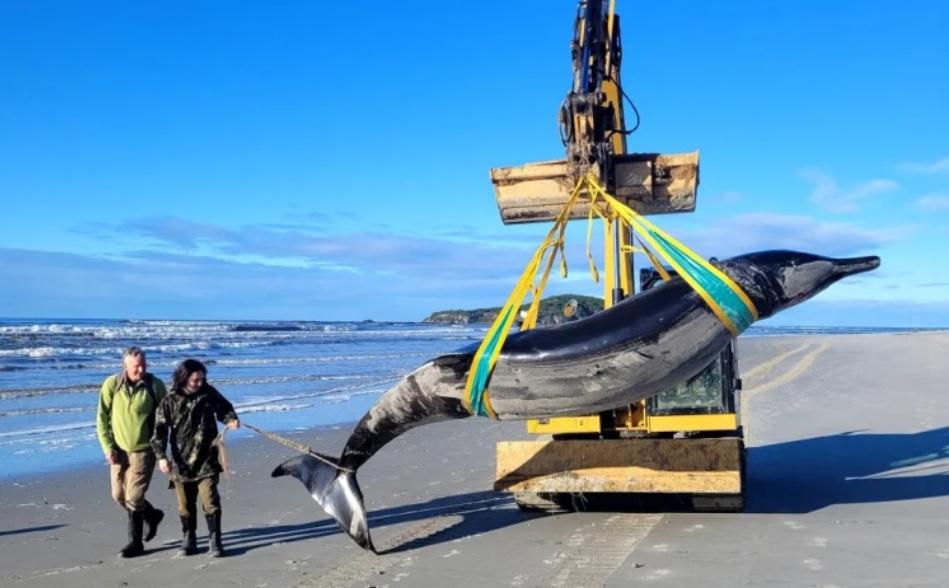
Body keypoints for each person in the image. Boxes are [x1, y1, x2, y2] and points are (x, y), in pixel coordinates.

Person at [152, 358, 239, 557]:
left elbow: (224, 409)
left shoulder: (208, 393)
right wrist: (161, 457)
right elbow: (159, 430)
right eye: (195, 380)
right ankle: (189, 537)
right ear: (184, 378)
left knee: (210, 500)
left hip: (207, 458)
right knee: (185, 504)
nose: (200, 383)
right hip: (181, 462)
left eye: (202, 379)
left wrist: (231, 419)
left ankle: (215, 540)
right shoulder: (170, 400)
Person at [96, 346, 167, 558]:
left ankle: (135, 543)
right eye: (136, 366)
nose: (141, 369)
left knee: (134, 497)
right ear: (125, 365)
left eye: (144, 365)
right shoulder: (112, 384)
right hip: (118, 451)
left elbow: (164, 419)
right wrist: (108, 447)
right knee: (118, 496)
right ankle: (152, 515)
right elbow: (102, 419)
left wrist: (161, 449)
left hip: (144, 451)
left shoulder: (155, 386)